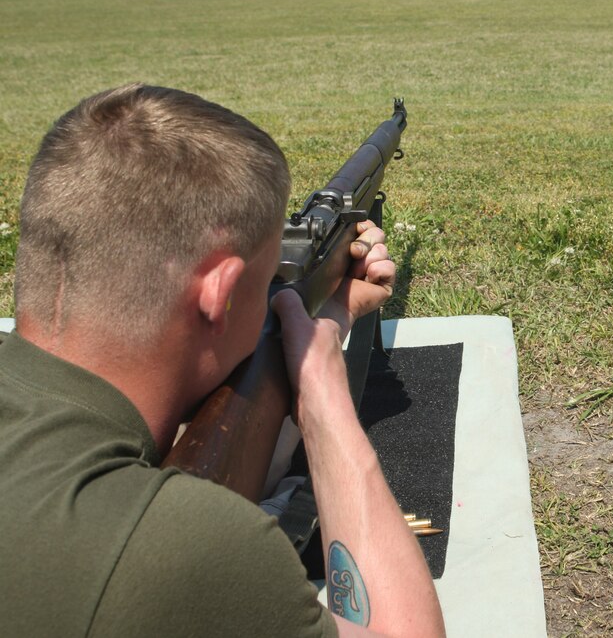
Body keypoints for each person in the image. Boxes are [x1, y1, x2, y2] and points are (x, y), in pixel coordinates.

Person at [0, 84, 445, 637]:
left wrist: (333, 310)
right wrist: (323, 379)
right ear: (220, 294)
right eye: (269, 286)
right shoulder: (177, 542)